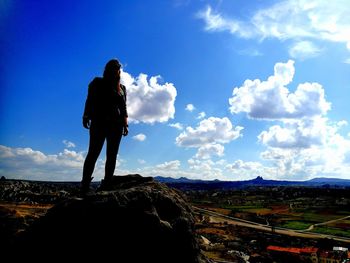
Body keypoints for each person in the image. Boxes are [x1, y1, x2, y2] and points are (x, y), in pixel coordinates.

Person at [81, 58, 128, 194]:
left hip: (116, 125)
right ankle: (84, 185)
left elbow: (124, 107)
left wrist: (125, 124)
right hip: (99, 123)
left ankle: (107, 183)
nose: (116, 71)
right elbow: (89, 100)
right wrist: (85, 115)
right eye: (113, 68)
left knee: (112, 156)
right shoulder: (97, 83)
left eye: (117, 68)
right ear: (107, 69)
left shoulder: (122, 88)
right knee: (93, 154)